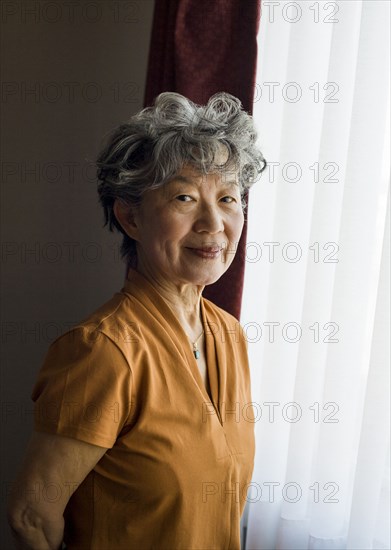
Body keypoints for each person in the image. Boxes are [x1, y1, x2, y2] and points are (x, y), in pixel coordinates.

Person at [7, 91, 267, 550]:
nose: (213, 223)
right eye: (185, 197)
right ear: (130, 217)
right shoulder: (103, 350)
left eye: (228, 197)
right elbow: (32, 515)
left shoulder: (229, 334)